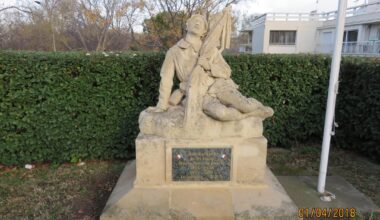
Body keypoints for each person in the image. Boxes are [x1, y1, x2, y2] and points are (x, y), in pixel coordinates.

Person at [148, 14, 273, 121]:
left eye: (202, 23)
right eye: (194, 20)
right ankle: (251, 116)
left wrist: (209, 66)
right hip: (199, 93)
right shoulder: (174, 52)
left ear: (204, 32)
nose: (198, 22)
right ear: (187, 25)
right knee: (221, 114)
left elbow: (226, 71)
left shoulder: (210, 50)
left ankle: (257, 109)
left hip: (219, 86)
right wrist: (162, 104)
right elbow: (166, 79)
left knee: (246, 106)